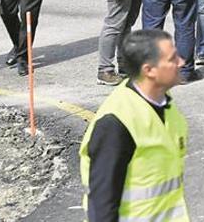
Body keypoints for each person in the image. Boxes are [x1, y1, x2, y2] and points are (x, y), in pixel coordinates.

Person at [79, 29, 190, 222]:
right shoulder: (116, 123)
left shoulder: (165, 103)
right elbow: (102, 205)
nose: (181, 62)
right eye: (172, 59)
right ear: (149, 71)